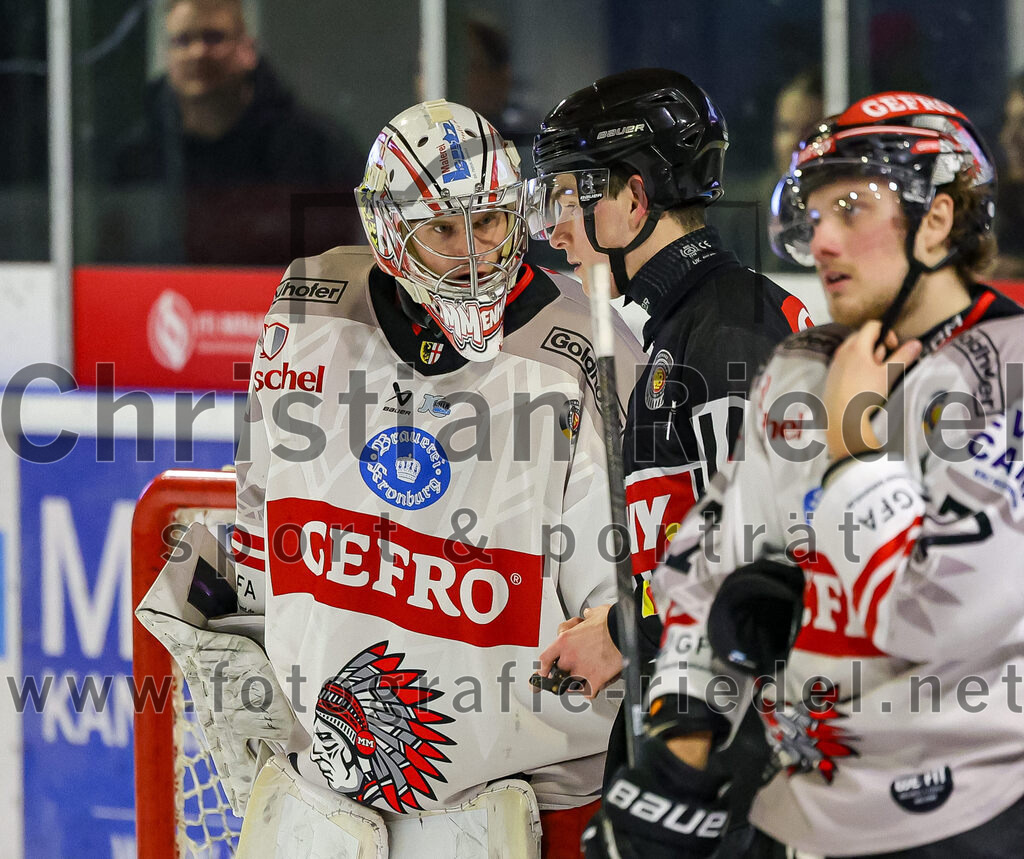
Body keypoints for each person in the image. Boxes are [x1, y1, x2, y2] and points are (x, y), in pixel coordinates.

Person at [585, 91, 1024, 858]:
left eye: (851, 208)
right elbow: (708, 568)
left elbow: (934, 620)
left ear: (940, 218)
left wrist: (853, 452)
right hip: (816, 805)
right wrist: (683, 742)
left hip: (972, 810)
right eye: (814, 214)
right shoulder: (803, 364)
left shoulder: (1007, 375)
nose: (822, 239)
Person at [230, 99, 646, 857]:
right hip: (326, 792)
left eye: (487, 221)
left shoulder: (590, 346)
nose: (474, 253)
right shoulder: (310, 304)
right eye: (442, 230)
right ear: (390, 231)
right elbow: (259, 517)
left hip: (527, 802)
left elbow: (614, 609)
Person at [526, 68, 811, 808]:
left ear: (633, 196)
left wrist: (627, 633)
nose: (554, 228)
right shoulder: (683, 329)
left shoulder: (733, 334)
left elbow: (768, 573)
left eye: (568, 193)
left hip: (735, 767)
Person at [104, 0, 361, 265]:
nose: (197, 52)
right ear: (167, 55)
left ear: (248, 49)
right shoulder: (134, 158)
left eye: (213, 37)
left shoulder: (317, 149)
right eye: (182, 40)